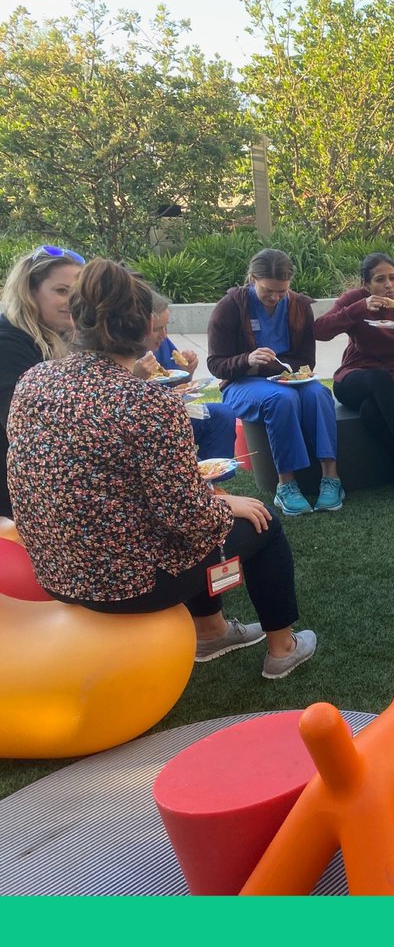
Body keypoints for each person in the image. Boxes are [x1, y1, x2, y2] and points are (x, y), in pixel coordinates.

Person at [7, 260, 317, 679]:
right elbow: (185, 516)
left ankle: (212, 630)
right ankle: (282, 648)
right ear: (145, 329)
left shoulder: (35, 381)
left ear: (77, 320)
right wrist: (229, 507)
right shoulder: (151, 404)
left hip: (55, 571)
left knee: (195, 523)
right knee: (264, 523)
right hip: (128, 586)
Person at [207, 248, 344, 516]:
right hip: (241, 384)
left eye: (282, 291)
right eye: (268, 290)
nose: (275, 298)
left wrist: (283, 370)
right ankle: (286, 485)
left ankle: (331, 478)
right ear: (252, 279)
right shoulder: (230, 307)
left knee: (318, 394)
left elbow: (306, 360)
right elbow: (216, 364)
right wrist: (248, 359)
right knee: (281, 399)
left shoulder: (299, 306)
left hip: (286, 380)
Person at [314, 252, 394, 492]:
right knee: (380, 380)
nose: (389, 285)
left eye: (392, 278)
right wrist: (359, 308)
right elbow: (319, 330)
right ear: (366, 284)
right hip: (354, 377)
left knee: (372, 410)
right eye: (380, 279)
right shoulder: (355, 300)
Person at [0, 244, 85, 519]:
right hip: (17, 494)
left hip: (46, 476)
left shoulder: (55, 336)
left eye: (77, 294)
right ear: (30, 292)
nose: (72, 302)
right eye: (62, 291)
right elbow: (28, 427)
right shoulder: (8, 343)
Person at [138, 290, 238, 460]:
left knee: (222, 414)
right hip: (150, 422)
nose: (164, 335)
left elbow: (176, 383)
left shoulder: (161, 344)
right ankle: (195, 476)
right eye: (158, 329)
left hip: (174, 410)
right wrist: (137, 378)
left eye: (166, 327)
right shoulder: (122, 355)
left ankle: (213, 479)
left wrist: (187, 371)